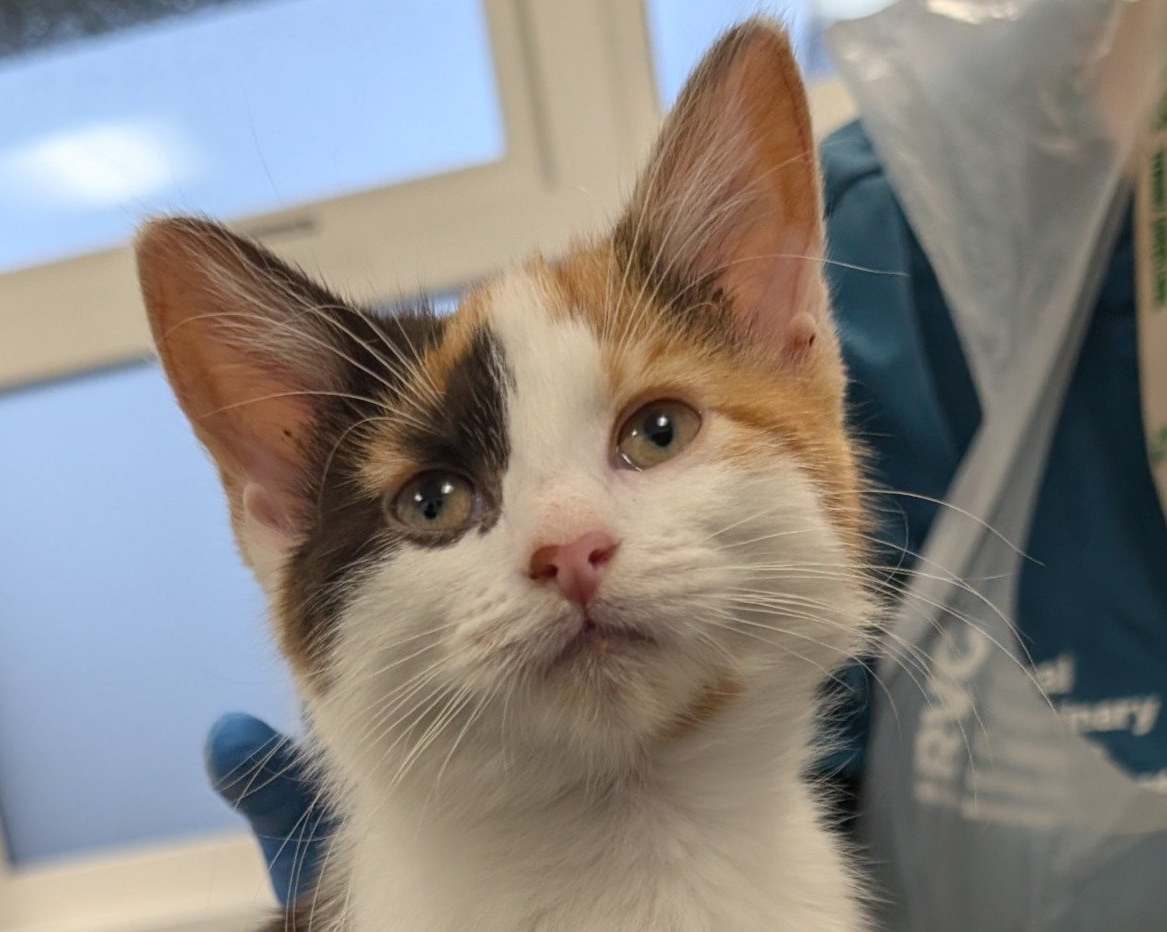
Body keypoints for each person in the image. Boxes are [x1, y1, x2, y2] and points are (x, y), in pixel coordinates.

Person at [206, 9, 1167, 924]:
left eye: (654, 431)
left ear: (787, 337)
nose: (566, 544)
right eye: (434, 500)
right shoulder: (916, 192)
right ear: (280, 510)